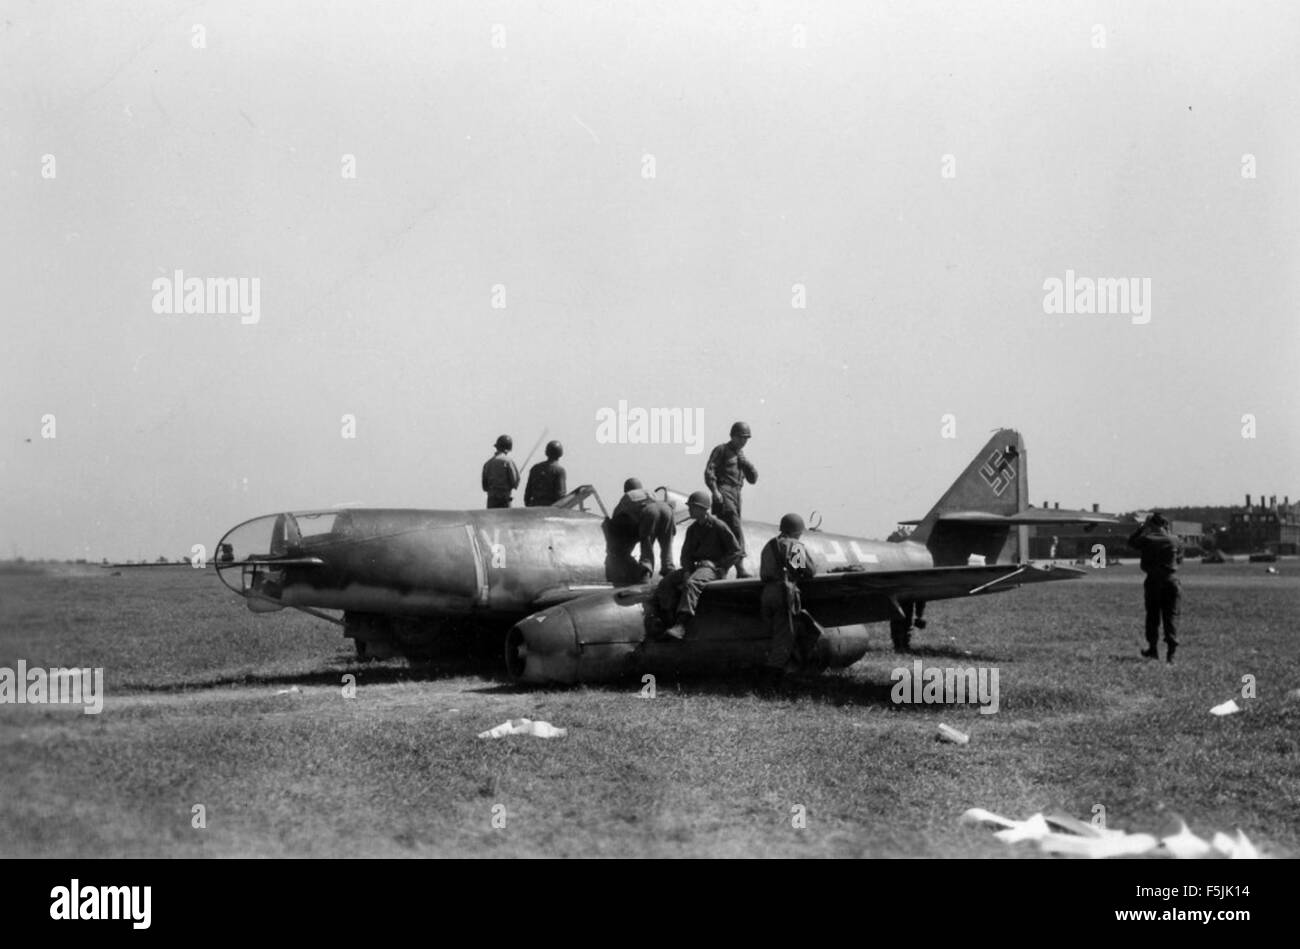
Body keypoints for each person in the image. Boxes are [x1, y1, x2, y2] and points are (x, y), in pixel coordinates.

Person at [658, 490, 742, 640]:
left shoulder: (718, 526)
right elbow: (686, 554)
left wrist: (720, 566)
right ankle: (668, 620)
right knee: (666, 582)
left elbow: (736, 551)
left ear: (703, 509)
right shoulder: (692, 529)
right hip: (696, 567)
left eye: (692, 507)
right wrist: (686, 571)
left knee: (692, 583)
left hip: (712, 569)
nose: (689, 509)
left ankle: (681, 625)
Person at [759, 513, 820, 690]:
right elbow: (808, 571)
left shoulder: (769, 545)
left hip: (767, 593)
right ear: (797, 531)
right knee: (784, 639)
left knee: (774, 635)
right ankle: (770, 684)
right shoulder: (793, 546)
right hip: (783, 593)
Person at [704, 421, 758, 577]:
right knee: (734, 527)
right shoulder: (722, 450)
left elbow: (753, 479)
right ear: (732, 436)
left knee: (729, 530)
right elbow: (709, 471)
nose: (743, 441)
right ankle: (739, 567)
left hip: (737, 494)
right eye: (741, 437)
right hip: (724, 491)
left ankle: (724, 568)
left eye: (746, 438)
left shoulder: (741, 456)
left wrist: (745, 463)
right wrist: (715, 491)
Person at [1128, 513, 1183, 663]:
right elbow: (1180, 560)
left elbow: (1131, 543)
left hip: (1153, 581)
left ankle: (1153, 650)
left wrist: (1142, 529)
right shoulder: (1175, 540)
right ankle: (1171, 655)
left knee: (1152, 617)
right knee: (1171, 616)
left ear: (1151, 525)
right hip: (1172, 581)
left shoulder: (1147, 539)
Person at [607, 478, 676, 579]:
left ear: (627, 488)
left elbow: (616, 514)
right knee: (667, 544)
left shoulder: (628, 495)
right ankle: (669, 570)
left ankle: (646, 570)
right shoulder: (650, 492)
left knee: (647, 542)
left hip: (650, 512)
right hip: (666, 509)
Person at [482, 435, 520, 509]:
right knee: (507, 520)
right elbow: (515, 482)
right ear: (509, 448)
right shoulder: (508, 461)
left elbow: (484, 487)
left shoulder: (487, 463)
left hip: (491, 500)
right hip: (504, 500)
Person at [524, 440, 567, 507]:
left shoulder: (535, 468)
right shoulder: (559, 470)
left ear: (546, 452)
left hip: (534, 507)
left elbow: (527, 494)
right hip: (550, 510)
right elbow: (560, 495)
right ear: (560, 453)